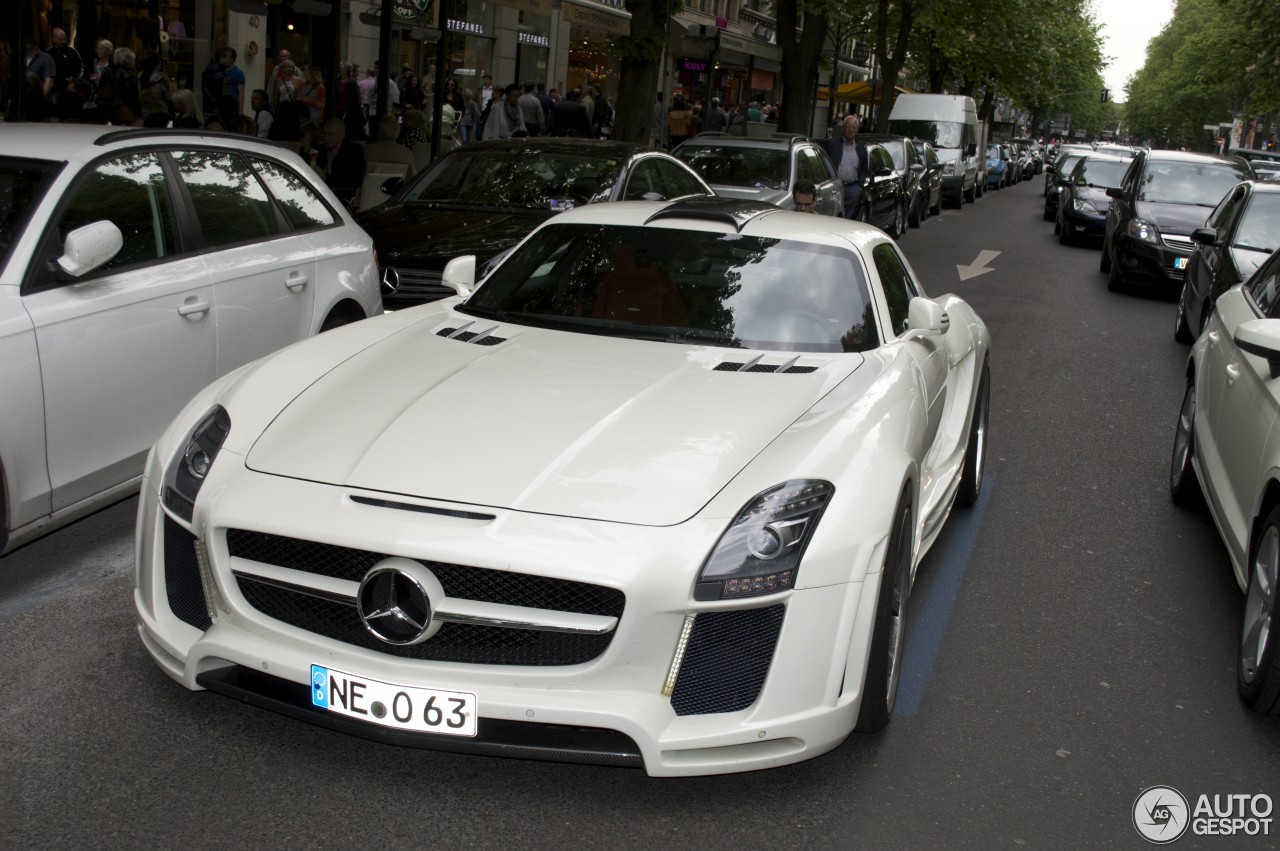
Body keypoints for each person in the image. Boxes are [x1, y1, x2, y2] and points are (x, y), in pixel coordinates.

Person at [825, 114, 869, 219]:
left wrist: (859, 186)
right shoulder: (833, 144)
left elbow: (864, 169)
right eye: (848, 126)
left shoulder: (861, 149)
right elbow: (826, 163)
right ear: (843, 128)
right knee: (833, 214)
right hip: (835, 187)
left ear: (857, 130)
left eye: (853, 127)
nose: (850, 130)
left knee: (847, 217)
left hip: (852, 188)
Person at [316, 118, 366, 207]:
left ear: (342, 134)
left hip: (342, 197)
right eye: (325, 133)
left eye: (331, 134)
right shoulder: (319, 149)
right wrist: (306, 148)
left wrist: (326, 177)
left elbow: (355, 179)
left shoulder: (354, 150)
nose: (326, 137)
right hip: (318, 193)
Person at [47, 28, 83, 104]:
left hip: (69, 88)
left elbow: (80, 68)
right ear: (54, 39)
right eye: (60, 39)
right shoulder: (48, 53)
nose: (63, 41)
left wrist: (74, 80)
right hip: (53, 89)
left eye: (64, 39)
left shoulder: (72, 52)